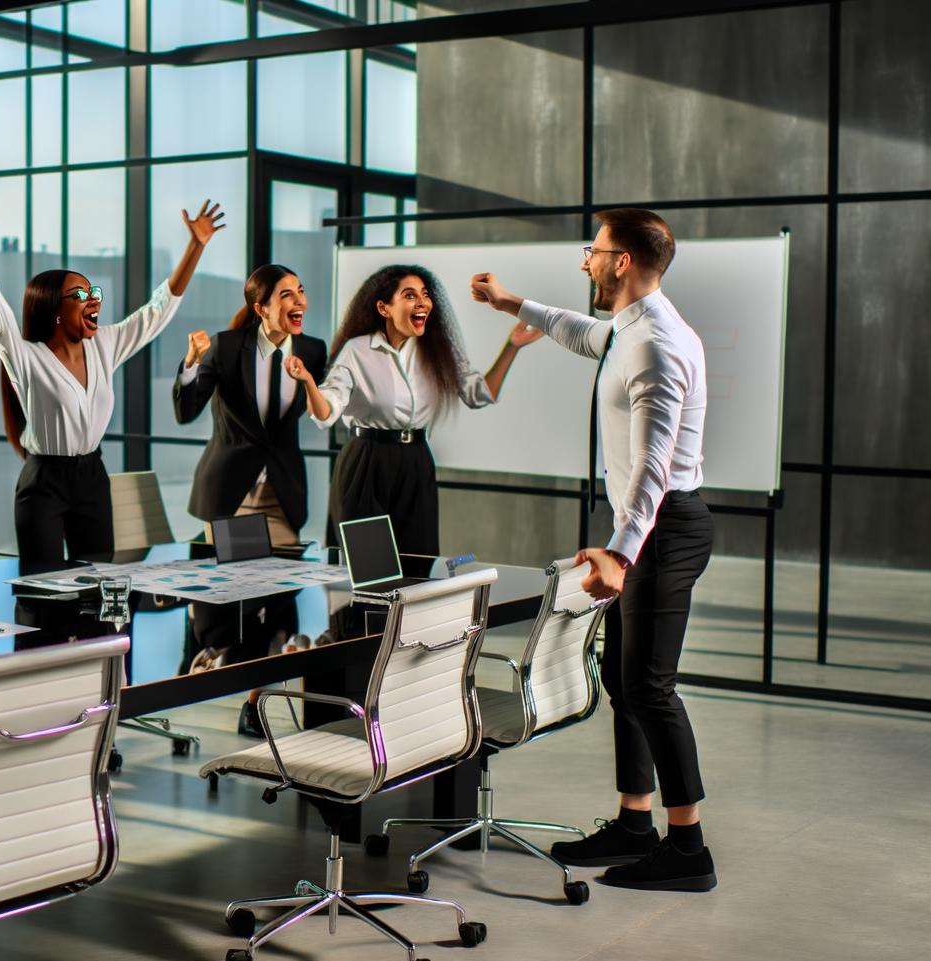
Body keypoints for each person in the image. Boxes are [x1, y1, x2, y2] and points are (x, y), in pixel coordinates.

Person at [471, 208, 716, 892]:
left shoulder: (657, 345)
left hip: (662, 528)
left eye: (594, 251)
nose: (586, 261)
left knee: (648, 686)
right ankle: (635, 824)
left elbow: (653, 467)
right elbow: (584, 335)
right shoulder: (631, 330)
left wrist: (622, 551)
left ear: (622, 263)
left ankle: (688, 847)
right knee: (622, 682)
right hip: (655, 528)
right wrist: (510, 302)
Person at [0, 197, 224, 566]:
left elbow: (157, 310)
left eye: (95, 294)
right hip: (43, 482)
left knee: (98, 584)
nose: (93, 301)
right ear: (53, 309)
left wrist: (195, 246)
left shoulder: (104, 344)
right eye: (80, 296)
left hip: (92, 475)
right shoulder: (27, 357)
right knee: (41, 588)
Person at [298, 264, 540, 575]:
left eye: (425, 295)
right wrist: (307, 382)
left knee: (418, 567)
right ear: (384, 307)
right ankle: (361, 625)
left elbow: (479, 394)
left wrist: (511, 348)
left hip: (417, 462)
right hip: (366, 461)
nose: (422, 303)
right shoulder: (357, 350)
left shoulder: (437, 349)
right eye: (410, 295)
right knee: (369, 571)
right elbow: (327, 410)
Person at [173, 264, 331, 735]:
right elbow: (186, 411)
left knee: (281, 599)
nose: (298, 299)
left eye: (301, 291)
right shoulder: (226, 347)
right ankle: (207, 646)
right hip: (234, 494)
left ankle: (254, 703)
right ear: (262, 308)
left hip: (281, 494)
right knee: (247, 600)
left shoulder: (313, 351)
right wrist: (190, 364)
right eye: (286, 294)